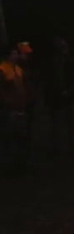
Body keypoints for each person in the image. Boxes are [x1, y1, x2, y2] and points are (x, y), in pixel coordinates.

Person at [41, 36, 74, 158]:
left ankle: (73, 149)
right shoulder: (52, 61)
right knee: (57, 125)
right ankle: (58, 148)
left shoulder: (70, 60)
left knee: (71, 125)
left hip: (69, 97)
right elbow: (49, 79)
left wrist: (68, 91)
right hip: (56, 98)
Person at [1, 42, 34, 173]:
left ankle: (22, 164)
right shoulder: (2, 69)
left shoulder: (18, 69)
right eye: (13, 53)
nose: (16, 55)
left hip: (21, 108)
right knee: (10, 138)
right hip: (9, 109)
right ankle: (10, 166)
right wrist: (7, 104)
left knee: (22, 138)